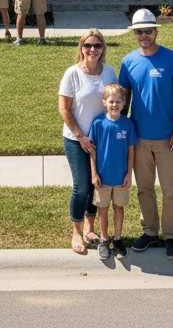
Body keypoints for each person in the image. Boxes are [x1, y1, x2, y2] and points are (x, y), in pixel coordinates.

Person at [119, 8, 173, 261]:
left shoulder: (172, 59)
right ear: (134, 34)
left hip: (167, 139)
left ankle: (171, 235)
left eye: (148, 30)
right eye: (139, 31)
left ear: (156, 31)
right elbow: (123, 99)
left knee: (170, 191)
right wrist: (121, 132)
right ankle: (150, 231)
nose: (144, 35)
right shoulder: (128, 62)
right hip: (138, 139)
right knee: (144, 189)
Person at [58, 30, 118, 254]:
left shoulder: (109, 72)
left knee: (96, 184)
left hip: (101, 139)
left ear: (103, 48)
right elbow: (64, 109)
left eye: (97, 46)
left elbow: (115, 102)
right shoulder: (72, 74)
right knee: (81, 186)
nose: (93, 50)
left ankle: (90, 229)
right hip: (76, 139)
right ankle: (76, 231)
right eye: (88, 45)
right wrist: (81, 137)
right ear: (81, 47)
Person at [88, 84, 138, 261]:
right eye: (111, 101)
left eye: (118, 101)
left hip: (121, 177)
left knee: (118, 207)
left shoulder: (127, 124)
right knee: (103, 209)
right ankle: (104, 240)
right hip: (102, 177)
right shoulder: (98, 123)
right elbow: (92, 152)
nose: (115, 105)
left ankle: (117, 239)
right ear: (104, 102)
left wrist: (129, 174)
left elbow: (131, 151)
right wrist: (94, 174)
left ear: (124, 103)